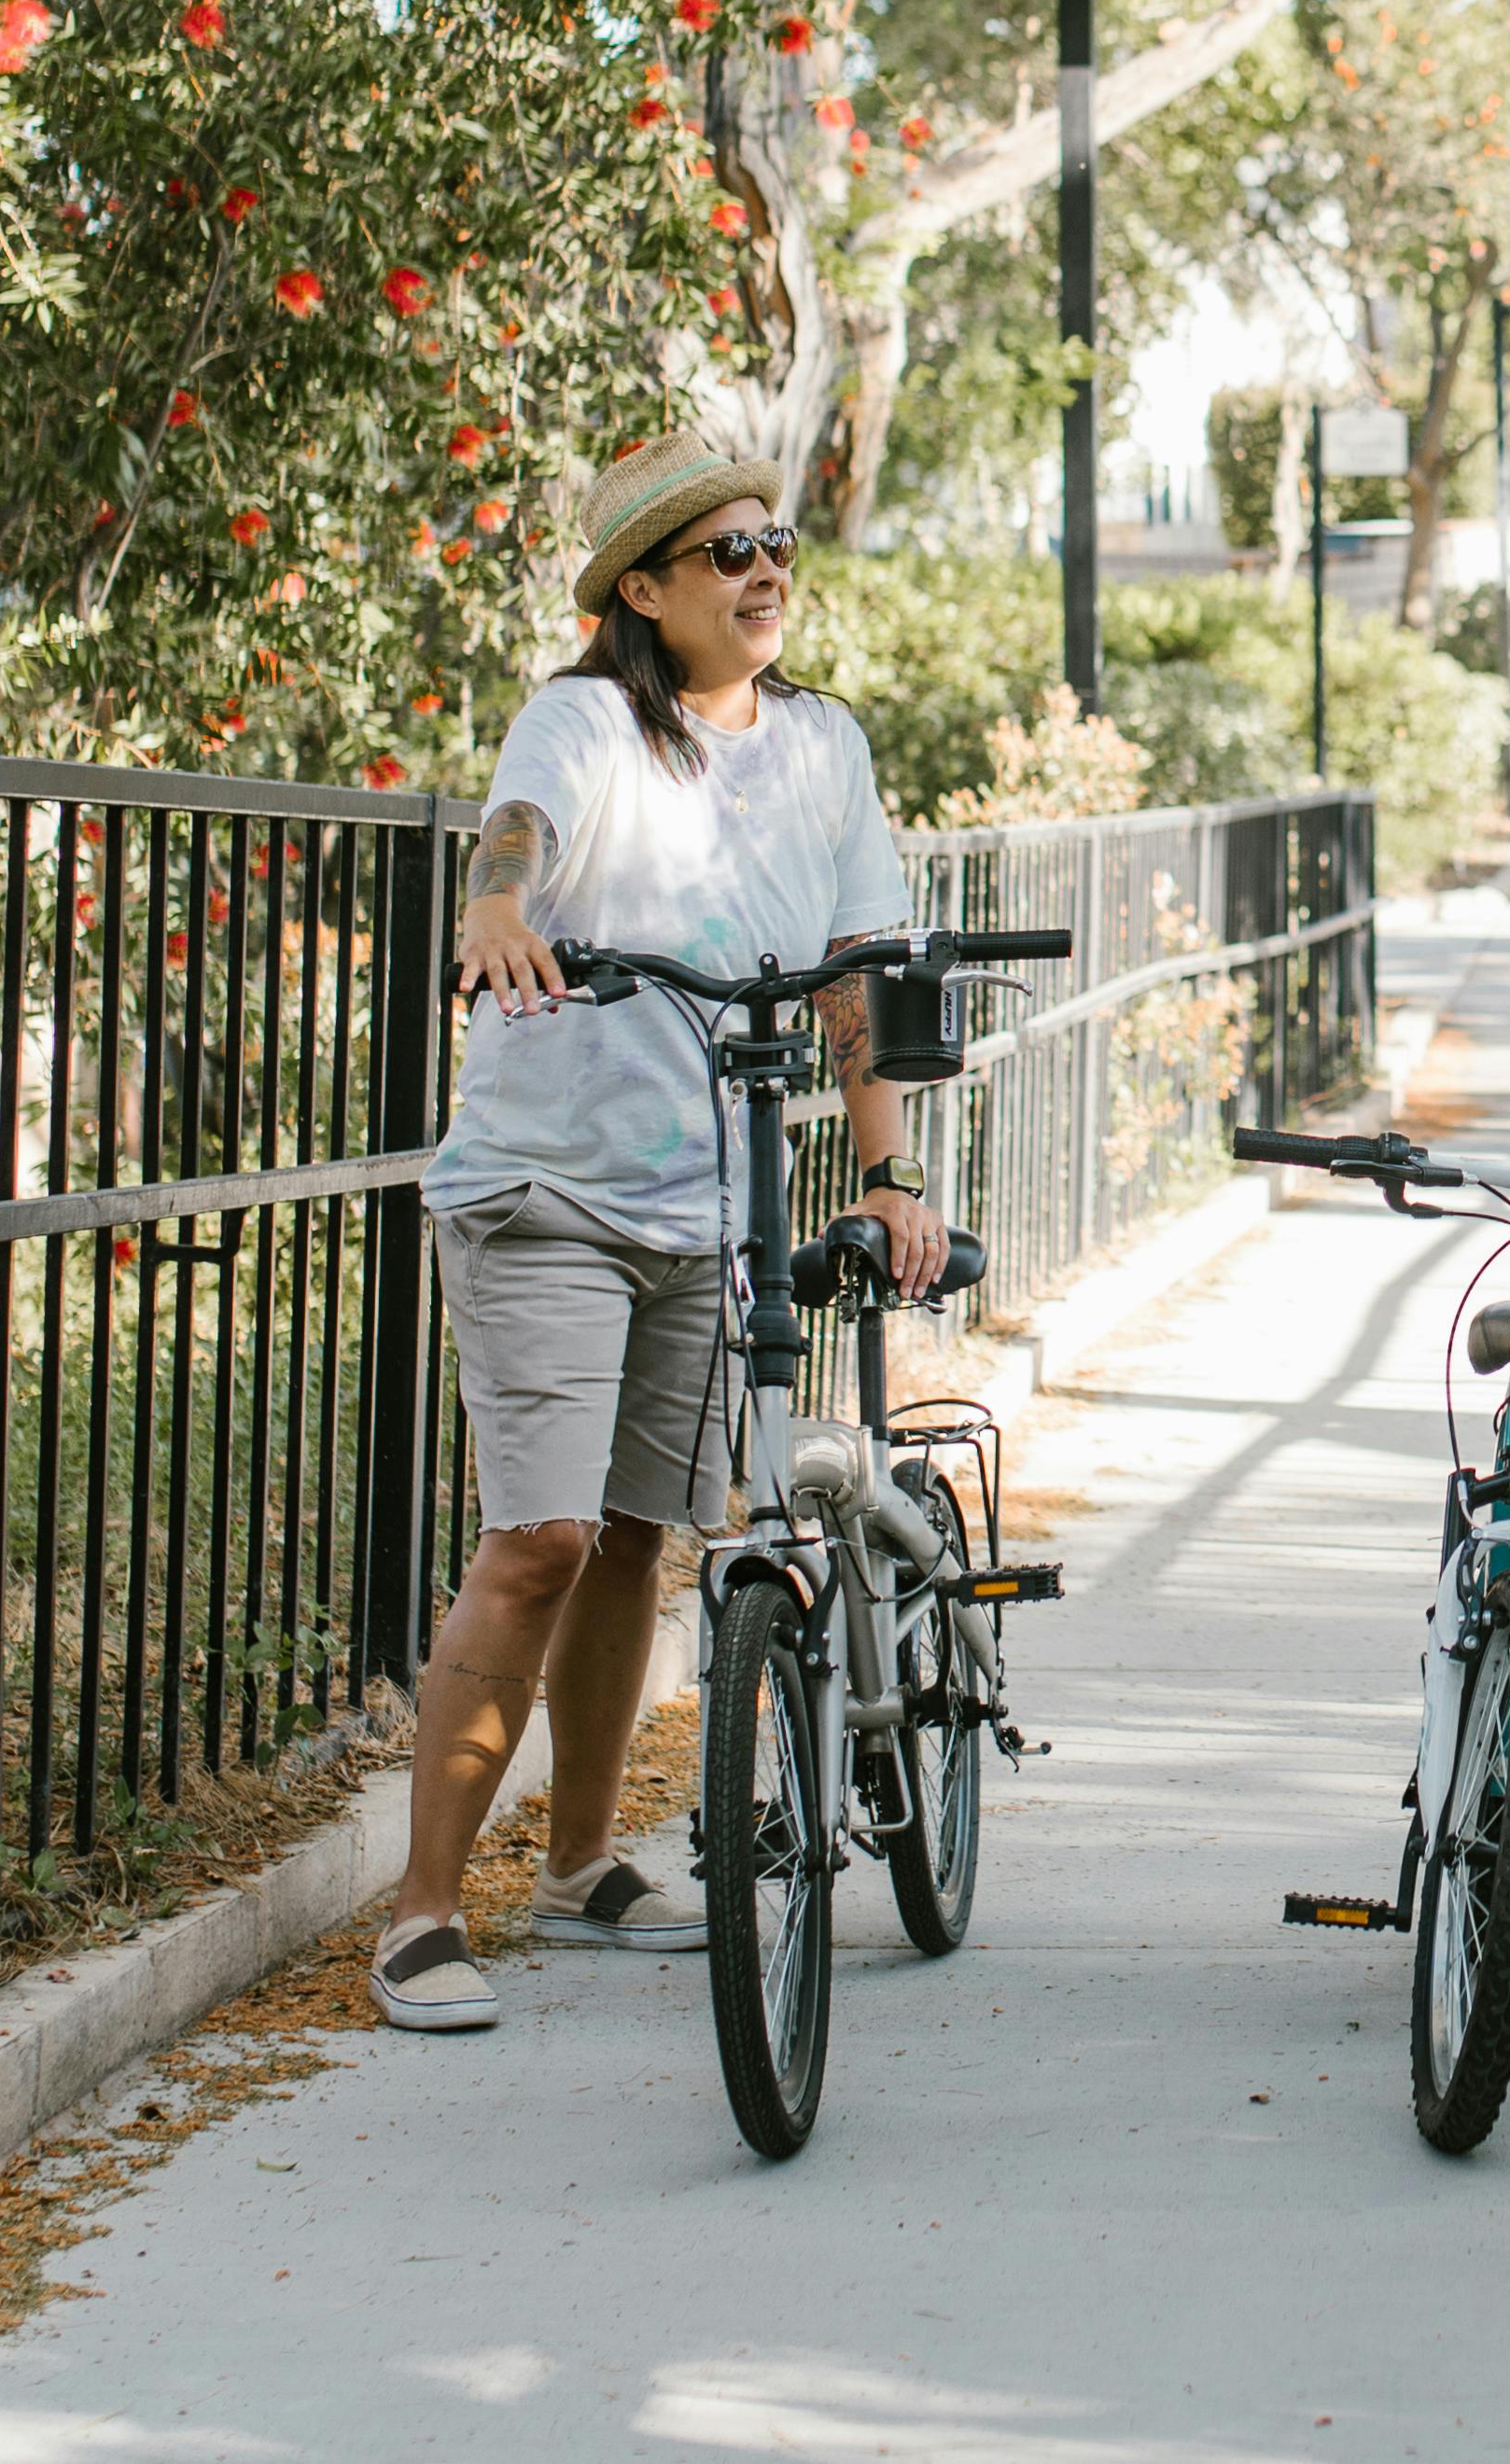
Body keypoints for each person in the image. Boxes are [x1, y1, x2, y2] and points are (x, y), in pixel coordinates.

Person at [371, 431, 942, 2032]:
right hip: (549, 1189)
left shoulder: (826, 748)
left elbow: (859, 984)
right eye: (726, 550)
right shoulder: (588, 719)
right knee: (540, 1536)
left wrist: (886, 1174)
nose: (766, 568)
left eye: (777, 543)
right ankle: (421, 1917)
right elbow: (519, 829)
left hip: (711, 1201)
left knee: (636, 1535)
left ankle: (577, 1870)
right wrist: (494, 907)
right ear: (646, 588)